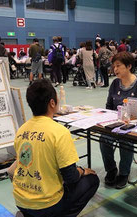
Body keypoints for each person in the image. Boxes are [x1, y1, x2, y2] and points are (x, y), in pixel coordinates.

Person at [12, 79, 99, 217]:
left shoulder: (22, 130)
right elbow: (71, 177)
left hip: (20, 201)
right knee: (92, 180)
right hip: (46, 205)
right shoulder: (59, 132)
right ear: (52, 103)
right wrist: (83, 171)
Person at [100, 51, 137, 189]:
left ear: (128, 66)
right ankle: (111, 170)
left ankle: (124, 173)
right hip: (116, 123)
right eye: (113, 66)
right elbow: (109, 106)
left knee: (125, 139)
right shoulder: (115, 84)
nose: (114, 69)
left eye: (118, 66)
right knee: (104, 138)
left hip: (133, 126)